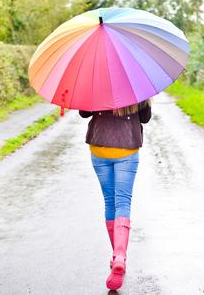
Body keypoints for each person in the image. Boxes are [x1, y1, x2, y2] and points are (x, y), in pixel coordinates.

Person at [78, 99, 152, 290]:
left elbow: (84, 113)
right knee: (123, 202)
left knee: (110, 201)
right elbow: (145, 118)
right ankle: (120, 256)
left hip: (100, 146)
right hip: (127, 149)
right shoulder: (137, 84)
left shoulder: (96, 82)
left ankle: (117, 256)